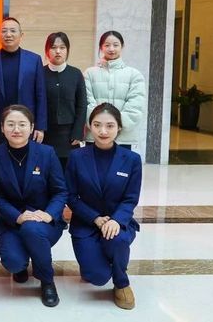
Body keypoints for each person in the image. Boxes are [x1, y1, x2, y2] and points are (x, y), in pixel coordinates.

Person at [0, 105, 67, 307]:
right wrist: (17, 216)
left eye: (22, 124)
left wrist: (49, 214)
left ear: (31, 128)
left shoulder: (46, 153)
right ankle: (21, 262)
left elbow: (60, 191)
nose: (16, 129)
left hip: (43, 222)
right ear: (2, 128)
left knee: (32, 230)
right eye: (10, 124)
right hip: (11, 221)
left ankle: (47, 280)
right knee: (14, 263)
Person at [65, 103, 142, 310]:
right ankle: (98, 261)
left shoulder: (132, 160)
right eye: (97, 125)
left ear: (119, 128)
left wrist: (116, 220)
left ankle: (121, 282)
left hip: (117, 221)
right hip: (86, 223)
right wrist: (95, 218)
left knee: (117, 239)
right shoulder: (77, 157)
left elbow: (130, 198)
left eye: (110, 126)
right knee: (97, 277)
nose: (103, 131)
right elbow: (71, 196)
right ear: (89, 127)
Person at [0, 17, 47, 146]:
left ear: (21, 35)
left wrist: (40, 126)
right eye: (4, 31)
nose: (8, 34)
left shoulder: (34, 60)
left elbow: (41, 94)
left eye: (13, 31)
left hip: (26, 123)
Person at [84, 31, 146, 150]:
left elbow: (135, 106)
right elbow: (87, 103)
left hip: (123, 137)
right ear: (101, 47)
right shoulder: (89, 74)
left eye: (115, 45)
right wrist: (99, 126)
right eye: (107, 45)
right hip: (95, 137)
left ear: (122, 46)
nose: (111, 49)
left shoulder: (134, 75)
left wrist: (115, 126)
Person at [42, 32, 87, 169]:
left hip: (69, 136)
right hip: (45, 134)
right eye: (53, 47)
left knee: (68, 172)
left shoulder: (76, 74)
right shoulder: (39, 73)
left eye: (62, 47)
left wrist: (78, 132)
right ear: (47, 50)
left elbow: (82, 105)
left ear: (67, 50)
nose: (58, 51)